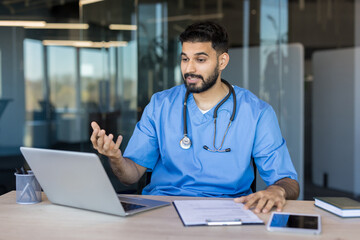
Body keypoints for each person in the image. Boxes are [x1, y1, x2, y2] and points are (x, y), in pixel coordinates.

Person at [90, 21, 299, 214]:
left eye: (200, 59)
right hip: (163, 209)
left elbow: (287, 181)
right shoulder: (160, 105)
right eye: (184, 59)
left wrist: (277, 191)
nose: (189, 68)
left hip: (228, 211)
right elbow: (131, 174)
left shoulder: (256, 112)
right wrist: (116, 159)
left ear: (222, 61)